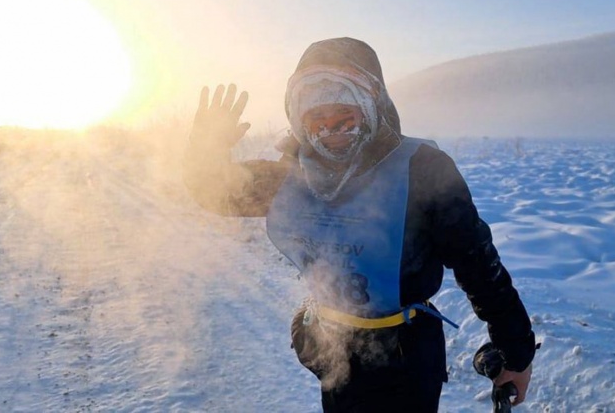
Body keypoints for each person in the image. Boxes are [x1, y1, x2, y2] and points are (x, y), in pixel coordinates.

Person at [183, 38, 535, 412]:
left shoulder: (421, 169)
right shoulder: (291, 176)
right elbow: (215, 192)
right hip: (329, 346)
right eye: (316, 118)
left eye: (344, 113)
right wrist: (204, 150)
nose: (330, 126)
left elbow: (477, 263)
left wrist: (515, 351)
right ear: (298, 120)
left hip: (407, 355)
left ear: (372, 106)